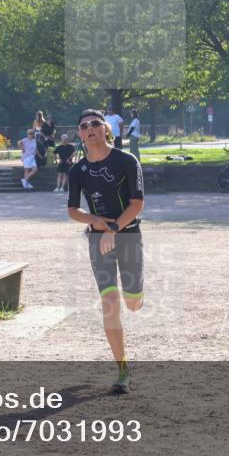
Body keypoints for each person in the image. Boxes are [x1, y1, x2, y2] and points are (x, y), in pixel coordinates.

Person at [67, 109, 145, 394]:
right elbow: (73, 211)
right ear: (80, 134)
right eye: (84, 125)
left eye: (95, 124)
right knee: (110, 304)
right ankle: (123, 370)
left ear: (106, 130)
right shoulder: (78, 171)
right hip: (97, 239)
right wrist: (95, 222)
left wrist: (113, 229)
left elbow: (137, 204)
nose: (90, 128)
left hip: (129, 235)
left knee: (133, 303)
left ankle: (135, 294)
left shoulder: (126, 161)